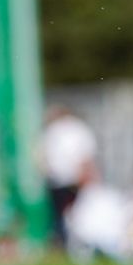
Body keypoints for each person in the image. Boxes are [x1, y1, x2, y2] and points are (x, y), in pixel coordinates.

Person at [37, 104, 98, 251]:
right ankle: (70, 245)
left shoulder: (56, 130)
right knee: (70, 215)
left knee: (68, 215)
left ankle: (72, 244)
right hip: (68, 179)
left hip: (62, 180)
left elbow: (43, 156)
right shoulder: (76, 129)